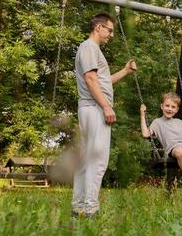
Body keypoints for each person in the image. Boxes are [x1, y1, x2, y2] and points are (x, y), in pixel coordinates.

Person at [72, 13, 137, 217]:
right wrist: (107, 107)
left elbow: (102, 80)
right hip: (94, 108)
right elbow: (91, 79)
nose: (111, 35)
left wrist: (125, 71)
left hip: (89, 108)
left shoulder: (90, 50)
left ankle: (79, 208)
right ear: (98, 27)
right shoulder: (90, 47)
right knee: (98, 160)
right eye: (109, 30)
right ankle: (90, 208)